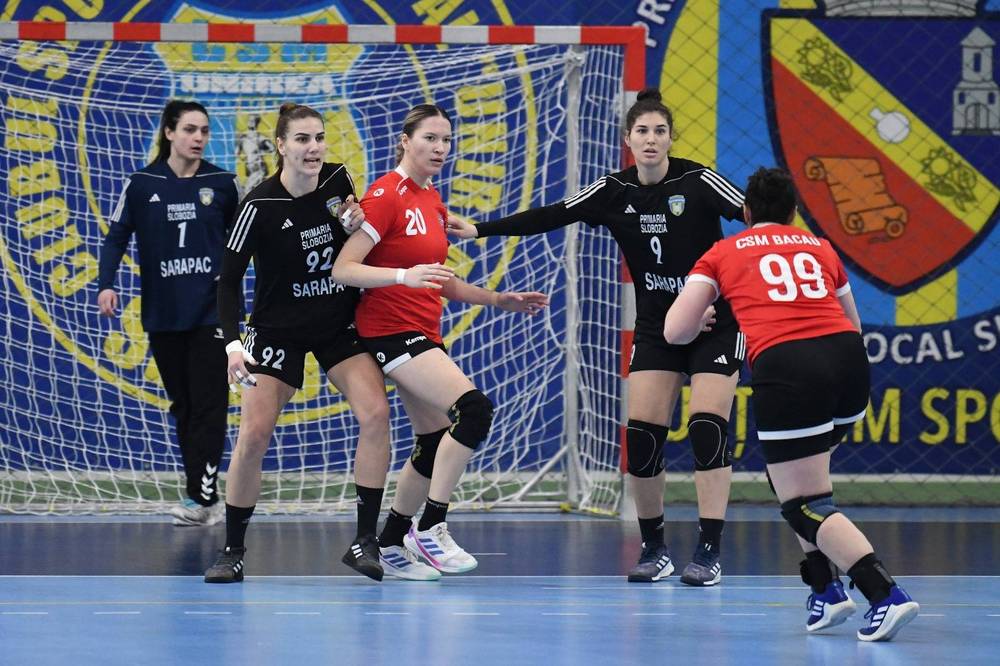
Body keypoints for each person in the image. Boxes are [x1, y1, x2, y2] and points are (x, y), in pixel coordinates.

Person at [447, 88, 744, 585]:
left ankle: (709, 551)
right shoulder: (614, 191)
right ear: (628, 139)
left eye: (660, 131)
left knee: (707, 429)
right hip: (658, 327)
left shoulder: (698, 181)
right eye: (642, 131)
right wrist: (478, 229)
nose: (651, 139)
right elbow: (552, 214)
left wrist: (730, 285)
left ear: (672, 138)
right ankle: (655, 549)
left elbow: (760, 220)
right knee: (642, 438)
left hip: (715, 323)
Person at [664, 166, 919, 641]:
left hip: (790, 368)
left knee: (803, 504)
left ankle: (884, 594)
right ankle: (825, 590)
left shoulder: (722, 252)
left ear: (745, 212)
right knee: (794, 485)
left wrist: (703, 318)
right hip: (849, 364)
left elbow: (674, 331)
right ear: (793, 213)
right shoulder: (819, 246)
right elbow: (853, 323)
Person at [332, 104, 548, 581]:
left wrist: (497, 299)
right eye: (430, 138)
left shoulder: (432, 200)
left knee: (433, 442)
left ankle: (391, 543)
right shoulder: (384, 195)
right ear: (405, 141)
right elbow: (343, 269)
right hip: (389, 329)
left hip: (424, 329)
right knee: (474, 411)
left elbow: (439, 280)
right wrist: (401, 276)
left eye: (446, 140)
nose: (440, 148)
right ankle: (431, 526)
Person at [203, 103, 391, 583]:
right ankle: (232, 550)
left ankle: (365, 541)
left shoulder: (339, 179)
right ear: (281, 146)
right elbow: (228, 282)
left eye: (319, 138)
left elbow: (353, 237)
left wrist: (353, 224)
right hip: (276, 330)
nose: (314, 147)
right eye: (303, 139)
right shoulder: (257, 206)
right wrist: (232, 345)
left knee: (376, 414)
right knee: (253, 435)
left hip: (335, 322)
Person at [98, 100, 240, 526]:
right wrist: (106, 284)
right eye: (190, 129)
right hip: (163, 312)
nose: (198, 138)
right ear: (169, 132)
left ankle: (203, 497)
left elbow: (247, 238)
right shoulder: (141, 184)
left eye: (204, 131)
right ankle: (200, 494)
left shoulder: (223, 182)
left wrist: (237, 278)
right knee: (184, 405)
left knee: (210, 405)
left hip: (212, 313)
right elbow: (116, 236)